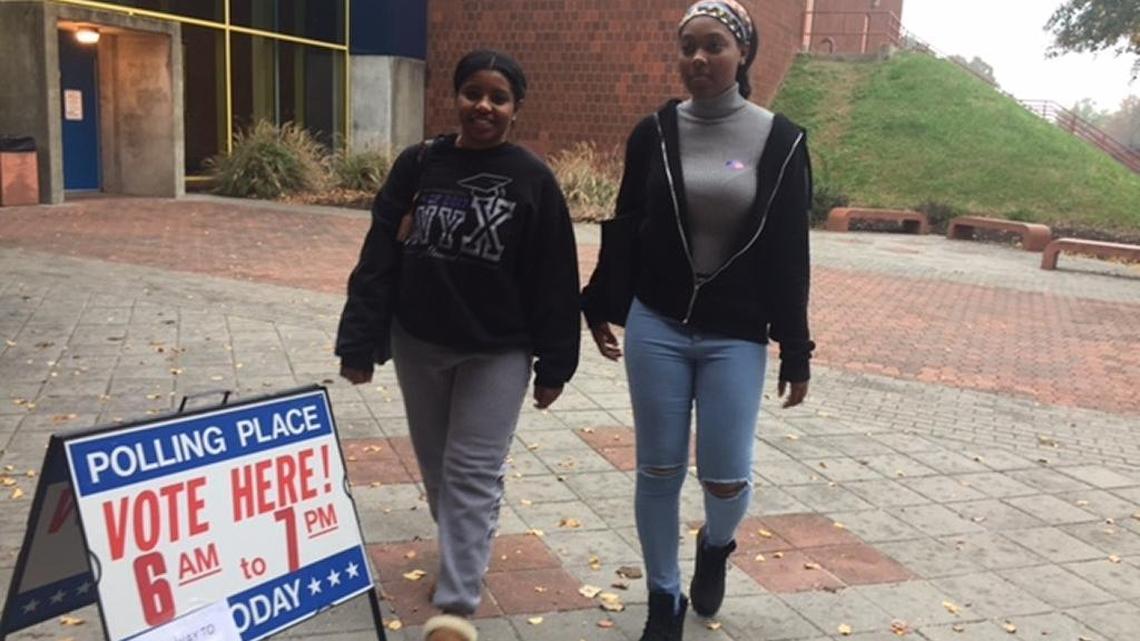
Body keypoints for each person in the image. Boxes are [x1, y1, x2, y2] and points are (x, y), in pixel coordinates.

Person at [581, 2, 815, 639]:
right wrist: (600, 301)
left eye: (714, 46)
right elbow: (627, 226)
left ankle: (716, 544)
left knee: (725, 474)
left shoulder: (781, 139)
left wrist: (795, 347)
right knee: (658, 468)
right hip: (656, 321)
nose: (699, 60)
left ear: (742, 54)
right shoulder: (653, 132)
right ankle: (664, 598)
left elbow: (791, 251)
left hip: (736, 331)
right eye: (688, 47)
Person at [336, 49, 581, 641]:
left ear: (515, 109)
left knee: (472, 470)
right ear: (456, 97)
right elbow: (379, 257)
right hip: (420, 341)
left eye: (498, 98)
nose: (484, 106)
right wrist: (359, 342)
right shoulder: (419, 165)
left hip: (498, 349)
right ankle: (464, 549)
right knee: (439, 471)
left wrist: (555, 364)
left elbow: (554, 276)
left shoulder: (531, 180)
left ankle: (456, 604)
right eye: (474, 93)